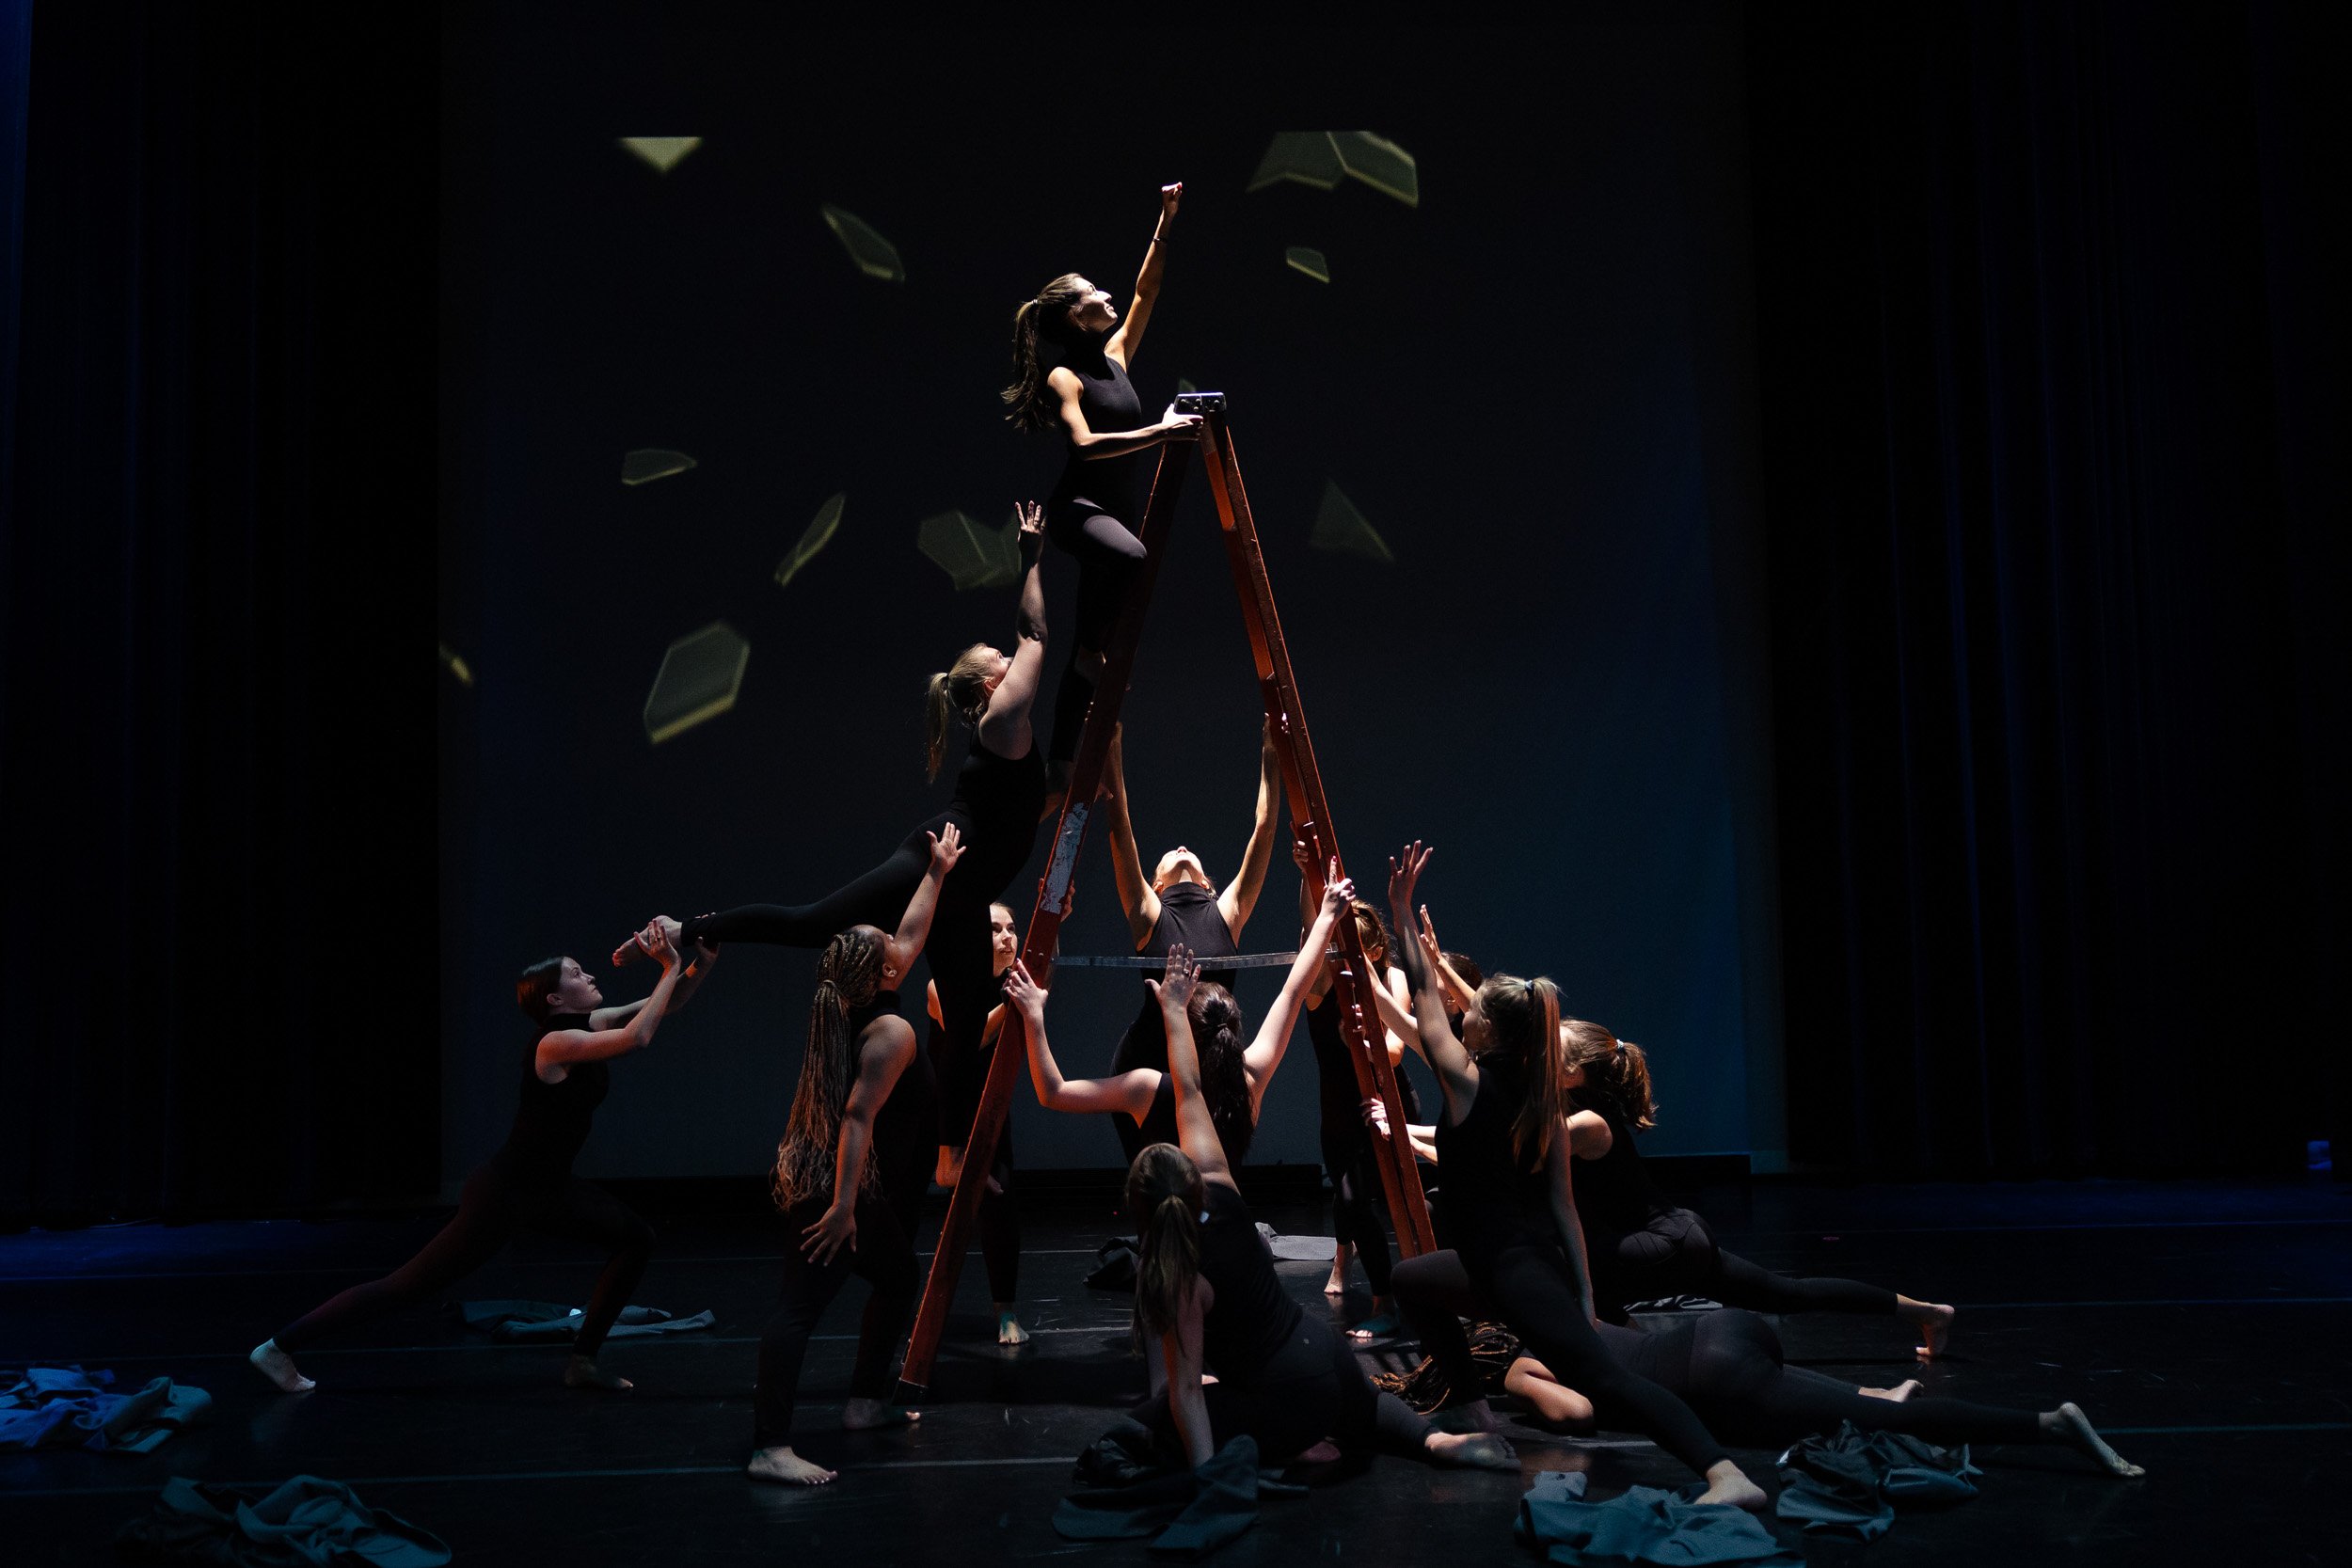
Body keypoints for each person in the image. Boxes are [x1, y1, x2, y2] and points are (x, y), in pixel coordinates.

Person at [634, 504, 1049, 1178]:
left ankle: (949, 1156)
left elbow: (1021, 811)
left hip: (964, 892)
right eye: (999, 659)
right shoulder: (1003, 718)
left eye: (1002, 654)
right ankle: (690, 928)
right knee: (812, 923)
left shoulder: (1006, 732)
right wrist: (1031, 556)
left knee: (967, 1016)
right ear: (989, 684)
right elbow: (1034, 632)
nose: (1010, 658)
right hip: (934, 862)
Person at [1382, 843, 1768, 1509]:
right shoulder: (1538, 1096)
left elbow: (1421, 997)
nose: (1460, 1011)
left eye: (1471, 1010)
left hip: (1515, 1272)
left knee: (1608, 1379)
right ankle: (1476, 1415)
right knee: (1410, 1280)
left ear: (1488, 1030)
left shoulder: (1470, 1084)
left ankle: (1725, 1472)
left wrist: (1399, 911)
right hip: (1502, 1263)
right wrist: (1585, 1291)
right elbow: (1563, 1207)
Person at [250, 927, 716, 1396]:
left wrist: (703, 960)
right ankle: (277, 1347)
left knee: (637, 1239)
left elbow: (663, 1005)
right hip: (505, 1194)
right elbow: (638, 1037)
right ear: (554, 998)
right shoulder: (554, 1044)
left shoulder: (588, 1025)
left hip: (550, 1188)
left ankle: (583, 1362)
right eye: (577, 973)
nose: (590, 975)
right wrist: (669, 964)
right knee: (406, 1286)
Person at [1125, 945, 1515, 1475]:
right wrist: (1175, 1009)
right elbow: (1189, 1090)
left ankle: (1290, 1444)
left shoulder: (1177, 1274)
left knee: (1147, 1426)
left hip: (1289, 1396)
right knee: (1363, 1407)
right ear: (1192, 1179)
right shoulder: (1220, 1184)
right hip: (1327, 1356)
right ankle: (1434, 1442)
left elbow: (1187, 1393)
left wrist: (1206, 1479)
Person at [748, 826, 963, 1487]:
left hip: (849, 1186)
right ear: (886, 973)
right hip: (835, 1188)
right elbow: (857, 1117)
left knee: (898, 1277)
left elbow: (912, 934)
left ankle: (866, 1402)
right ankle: (769, 1447)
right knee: (799, 1309)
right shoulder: (891, 1033)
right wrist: (843, 1208)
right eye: (887, 943)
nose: (900, 941)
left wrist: (938, 871)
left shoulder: (857, 1004)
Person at [1562, 1019, 1955, 1355]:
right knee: (1786, 1294)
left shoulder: (1588, 1124)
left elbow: (1528, 1151)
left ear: (1574, 1071)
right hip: (1676, 1235)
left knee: (1575, 1280)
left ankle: (1652, 1363)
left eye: (1550, 1048)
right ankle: (1930, 1313)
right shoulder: (1580, 1114)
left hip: (1665, 1244)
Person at [1412, 1307, 2141, 1478]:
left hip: (1714, 1377)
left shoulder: (1519, 1359)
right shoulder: (1556, 1313)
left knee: (1851, 1419)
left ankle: (2048, 1423)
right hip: (1720, 1331)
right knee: (1812, 1400)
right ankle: (1882, 1393)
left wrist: (1518, 1390)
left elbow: (1576, 1413)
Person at [998, 183, 1204, 784]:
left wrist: (1165, 219)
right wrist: (1160, 431)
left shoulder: (1116, 355)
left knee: (1085, 654)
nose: (1107, 295)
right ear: (1074, 314)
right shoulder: (1065, 376)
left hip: (1112, 511)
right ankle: (1108, 656)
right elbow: (1084, 445)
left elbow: (1146, 291)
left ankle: (1060, 763)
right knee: (1134, 558)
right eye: (1094, 292)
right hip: (1079, 512)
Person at [1008, 867, 1356, 1166]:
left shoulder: (1150, 1089)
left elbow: (1053, 1092)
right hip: (1228, 1219)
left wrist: (1033, 1016)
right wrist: (1327, 917)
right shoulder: (1249, 1079)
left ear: (1180, 1026)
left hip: (1171, 1225)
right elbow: (1292, 992)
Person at [1098, 722, 1282, 1161]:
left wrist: (1271, 750)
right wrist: (1112, 744)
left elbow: (1264, 829)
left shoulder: (1227, 911)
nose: (1181, 847)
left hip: (1211, 1067)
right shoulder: (1148, 911)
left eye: (1189, 852)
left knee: (1209, 1174)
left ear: (1208, 884)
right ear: (1156, 884)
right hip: (1147, 1063)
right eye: (1169, 854)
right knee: (1156, 1173)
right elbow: (1120, 827)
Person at [1297, 866, 1425, 1338]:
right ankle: (1383, 1299)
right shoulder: (1320, 984)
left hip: (1389, 1105)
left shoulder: (1391, 978)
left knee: (1399, 1205)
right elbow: (1310, 925)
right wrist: (1308, 875)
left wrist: (1362, 1037)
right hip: (1341, 1115)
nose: (1338, 956)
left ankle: (1418, 1292)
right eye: (1334, 948)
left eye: (1351, 949)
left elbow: (1393, 1051)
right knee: (1351, 1201)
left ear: (1371, 953)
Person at [926, 900, 1027, 1345]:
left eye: (1012, 928)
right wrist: (1014, 1002)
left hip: (989, 1112)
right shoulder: (941, 986)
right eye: (994, 929)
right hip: (940, 1116)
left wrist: (1056, 926)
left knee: (1001, 1202)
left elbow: (1043, 971)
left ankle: (1006, 1314)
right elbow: (974, 1037)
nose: (1007, 937)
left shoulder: (1012, 985)